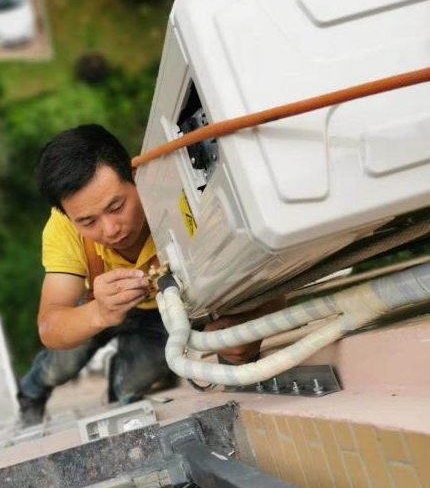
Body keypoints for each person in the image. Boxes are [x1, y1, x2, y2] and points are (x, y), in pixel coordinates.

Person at [17, 124, 278, 425]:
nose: (110, 229)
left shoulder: (182, 196)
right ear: (68, 217)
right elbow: (50, 326)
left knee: (130, 387)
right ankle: (30, 392)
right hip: (96, 306)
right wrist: (100, 312)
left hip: (162, 314)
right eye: (88, 222)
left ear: (135, 175)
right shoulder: (61, 227)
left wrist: (247, 329)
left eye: (117, 206)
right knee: (60, 366)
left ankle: (119, 386)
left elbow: (273, 274)